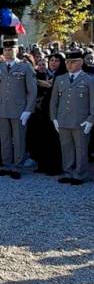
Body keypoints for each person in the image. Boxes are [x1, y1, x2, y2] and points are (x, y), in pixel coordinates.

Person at [0, 37, 37, 180]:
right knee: (4, 139)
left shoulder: (25, 67)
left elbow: (32, 91)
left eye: (11, 49)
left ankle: (17, 166)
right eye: (6, 49)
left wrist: (28, 110)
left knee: (19, 138)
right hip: (2, 109)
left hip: (19, 110)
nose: (8, 52)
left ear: (17, 50)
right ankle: (6, 165)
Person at [50, 50, 94, 185]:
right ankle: (68, 172)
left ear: (80, 62)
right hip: (63, 119)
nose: (69, 65)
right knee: (66, 147)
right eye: (67, 62)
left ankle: (80, 174)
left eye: (73, 62)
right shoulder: (60, 79)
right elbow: (54, 101)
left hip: (81, 120)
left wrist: (91, 120)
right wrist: (54, 118)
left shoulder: (89, 79)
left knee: (81, 148)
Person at [33, 53, 66, 175]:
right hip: (42, 112)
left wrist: (40, 82)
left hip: (56, 112)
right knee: (43, 139)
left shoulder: (63, 74)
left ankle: (55, 166)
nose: (53, 62)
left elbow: (51, 86)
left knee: (55, 141)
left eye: (56, 60)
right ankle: (43, 164)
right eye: (51, 60)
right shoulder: (44, 74)